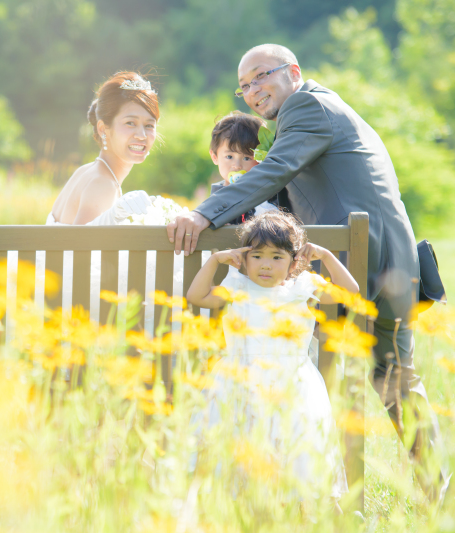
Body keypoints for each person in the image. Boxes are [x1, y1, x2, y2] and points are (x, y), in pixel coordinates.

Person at [168, 43, 449, 500]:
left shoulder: (308, 106)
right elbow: (289, 190)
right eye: (244, 86)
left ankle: (316, 494)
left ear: (292, 71)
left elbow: (276, 171)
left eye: (261, 76)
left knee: (327, 372)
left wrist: (204, 214)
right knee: (395, 381)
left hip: (364, 263)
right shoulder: (313, 112)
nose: (253, 91)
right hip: (387, 260)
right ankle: (434, 494)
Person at [186, 211, 351, 508]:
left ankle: (288, 506)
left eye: (277, 257)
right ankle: (240, 504)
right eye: (258, 255)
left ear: (293, 262)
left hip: (291, 383)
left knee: (291, 446)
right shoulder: (236, 286)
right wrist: (215, 260)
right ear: (244, 259)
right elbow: (197, 296)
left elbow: (350, 292)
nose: (266, 264)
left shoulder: (302, 288)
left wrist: (325, 255)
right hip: (239, 379)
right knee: (238, 441)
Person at [47, 72, 158, 226]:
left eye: (149, 125)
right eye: (130, 123)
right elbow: (80, 249)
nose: (141, 135)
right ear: (103, 129)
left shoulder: (85, 171)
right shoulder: (103, 185)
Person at [208, 111, 278, 225]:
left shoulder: (269, 194)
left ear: (261, 159)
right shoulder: (213, 202)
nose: (237, 165)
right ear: (215, 157)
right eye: (229, 156)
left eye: (247, 158)